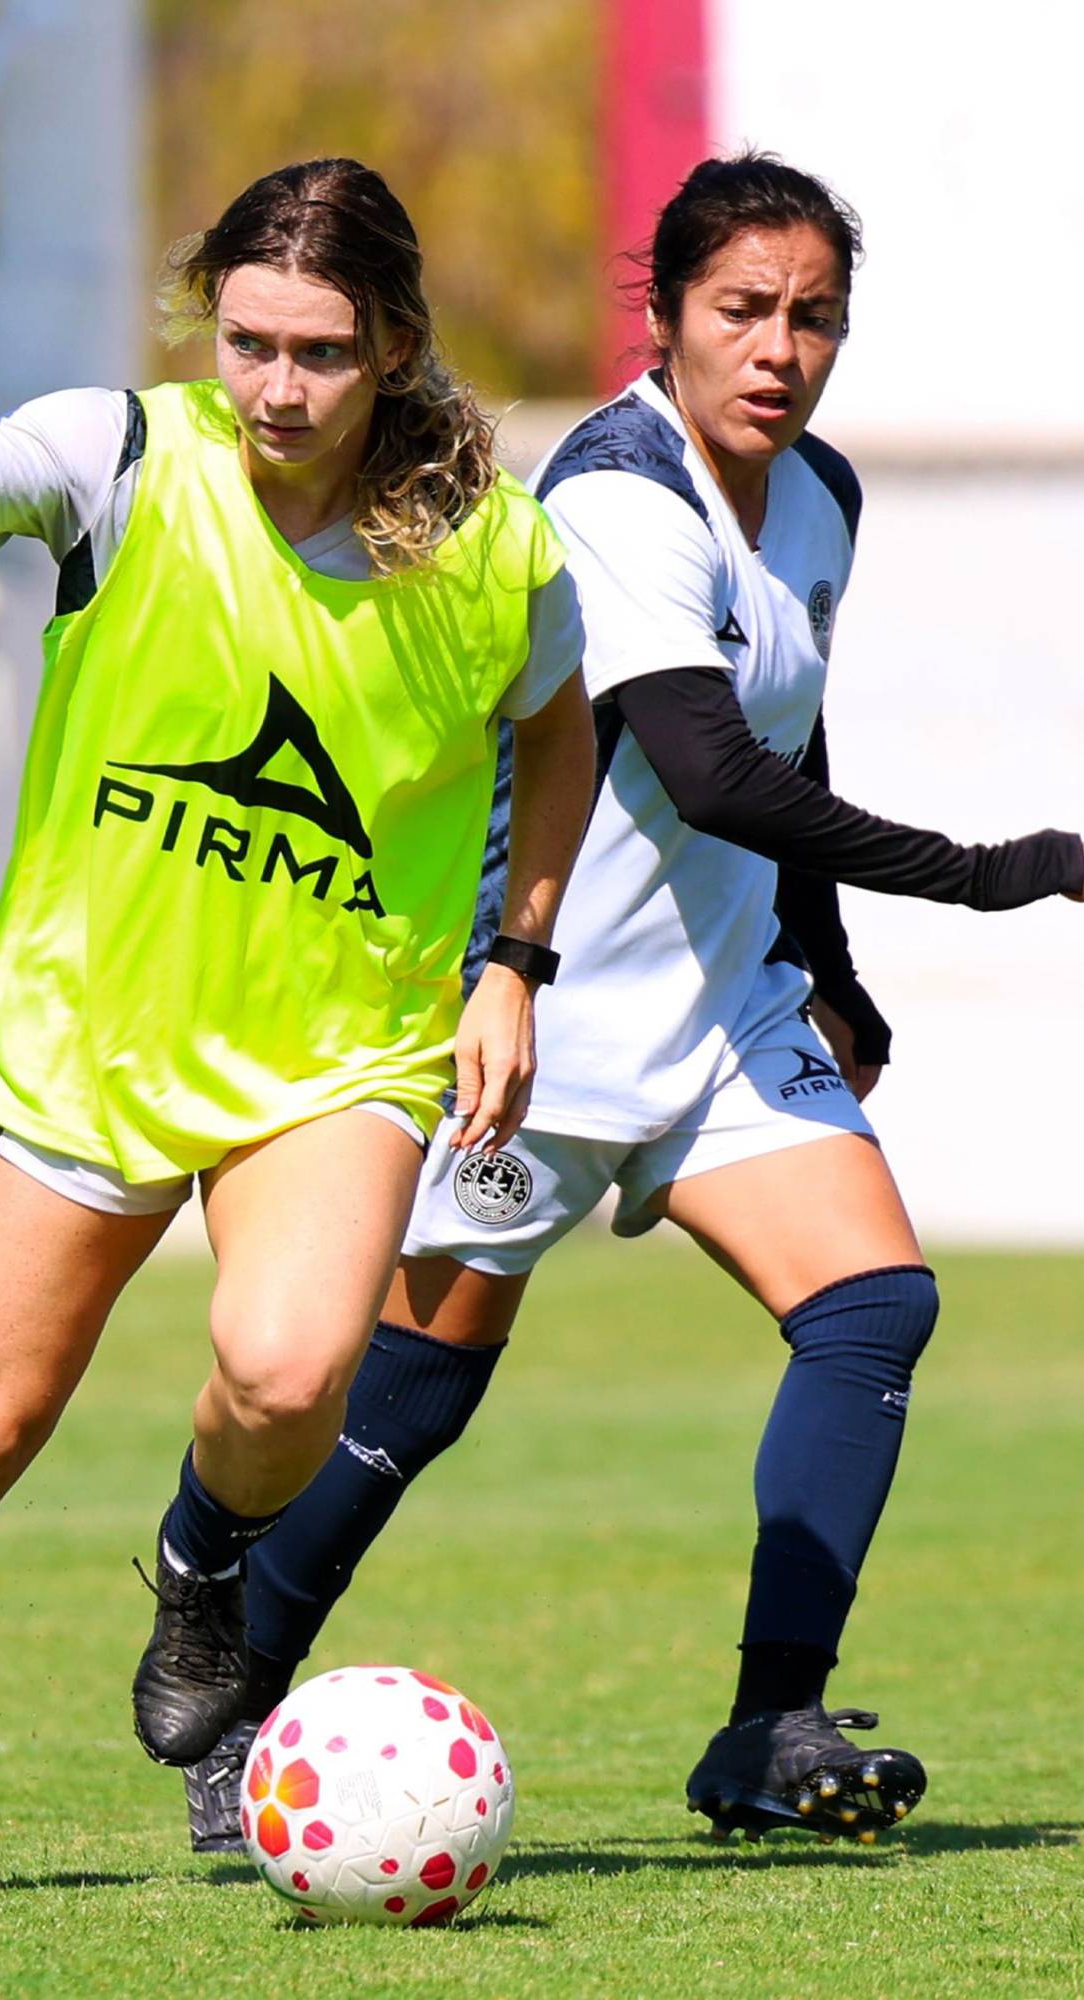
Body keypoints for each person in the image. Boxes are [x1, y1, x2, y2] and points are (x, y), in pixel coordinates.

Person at [176, 152, 1084, 1854]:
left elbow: (790, 726)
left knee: (871, 1309)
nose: (778, 349)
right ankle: (230, 1716)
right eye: (741, 310)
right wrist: (994, 871)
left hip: (725, 1014)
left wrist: (829, 964)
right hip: (541, 1018)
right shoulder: (613, 491)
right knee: (409, 1400)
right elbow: (707, 765)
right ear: (662, 314)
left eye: (812, 317)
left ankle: (767, 1727)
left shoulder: (818, 493)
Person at [0, 101, 596, 1898]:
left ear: (392, 347)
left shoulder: (494, 551)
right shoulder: (118, 455)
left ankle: (203, 1570)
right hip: (90, 1040)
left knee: (288, 1372)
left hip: (338, 1051)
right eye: (248, 341)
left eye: (319, 352)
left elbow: (557, 734)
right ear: (209, 320)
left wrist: (512, 960)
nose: (276, 386)